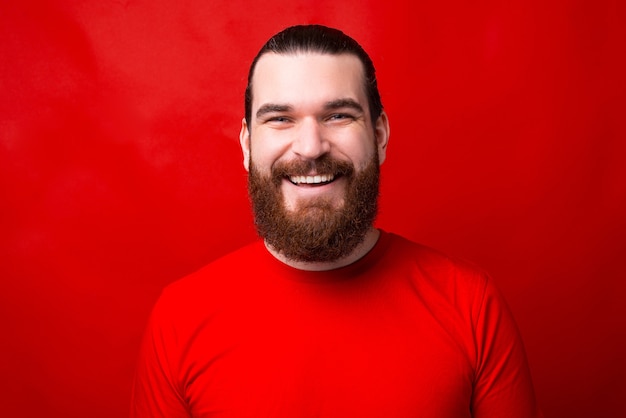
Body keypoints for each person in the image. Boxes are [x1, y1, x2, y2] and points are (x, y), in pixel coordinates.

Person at [130, 24, 542, 417]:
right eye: (280, 119)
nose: (310, 147)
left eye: (338, 116)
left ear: (379, 136)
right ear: (247, 143)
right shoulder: (179, 319)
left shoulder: (472, 305)